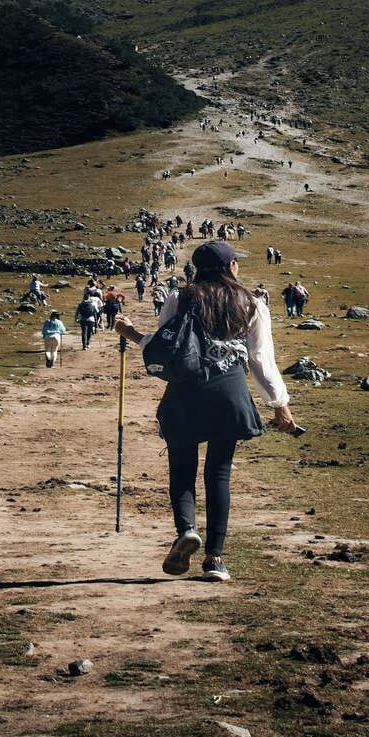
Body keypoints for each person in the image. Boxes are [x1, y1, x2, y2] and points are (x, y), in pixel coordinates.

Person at [114, 240, 296, 583]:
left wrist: (132, 334)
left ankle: (186, 530)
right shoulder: (252, 303)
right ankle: (215, 559)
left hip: (185, 393)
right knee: (219, 472)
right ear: (230, 267)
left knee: (182, 469)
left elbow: (167, 347)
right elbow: (261, 360)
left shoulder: (180, 298)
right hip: (229, 393)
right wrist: (280, 405)